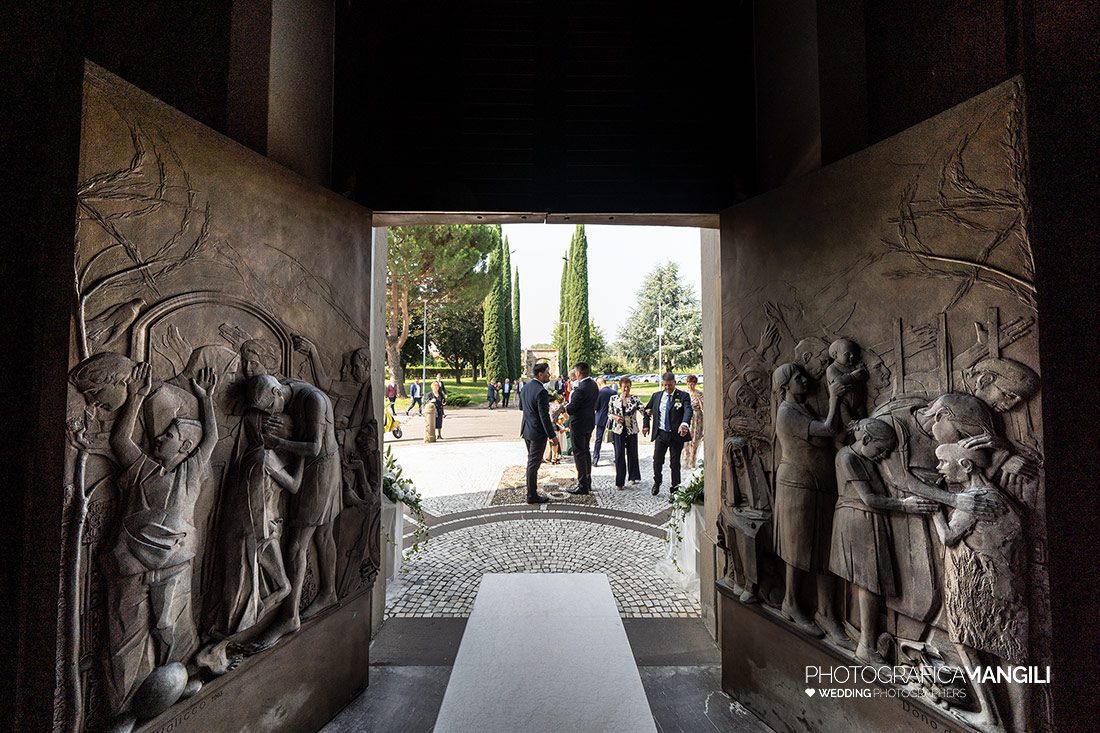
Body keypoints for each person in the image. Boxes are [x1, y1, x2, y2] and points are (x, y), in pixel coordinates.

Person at [103, 364, 217, 718]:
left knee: (172, 628)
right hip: (133, 570)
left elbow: (211, 439)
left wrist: (206, 400)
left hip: (174, 571)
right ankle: (124, 711)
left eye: (166, 437)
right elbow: (121, 440)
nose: (156, 440)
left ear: (184, 447)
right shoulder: (141, 469)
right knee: (126, 643)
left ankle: (176, 682)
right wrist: (135, 397)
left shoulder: (190, 473)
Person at [933, 441, 1030, 732]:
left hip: (982, 587)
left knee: (977, 644)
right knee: (1002, 651)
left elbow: (949, 537)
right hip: (991, 583)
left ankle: (996, 717)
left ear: (965, 465)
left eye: (943, 462)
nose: (939, 468)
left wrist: (935, 511)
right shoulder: (989, 494)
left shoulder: (978, 498)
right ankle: (1009, 721)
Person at [247, 374, 344, 652]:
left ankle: (290, 616)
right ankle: (329, 592)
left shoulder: (312, 399)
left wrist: (277, 442)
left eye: (271, 410)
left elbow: (314, 447)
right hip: (322, 466)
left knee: (297, 545)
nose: (272, 416)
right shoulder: (290, 388)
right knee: (323, 535)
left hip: (321, 470)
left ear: (278, 394)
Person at [830, 418, 936, 662]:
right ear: (866, 440)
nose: (884, 454)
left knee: (870, 583)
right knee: (868, 582)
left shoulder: (862, 457)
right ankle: (866, 647)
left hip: (867, 520)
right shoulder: (848, 458)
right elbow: (869, 499)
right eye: (881, 449)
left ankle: (867, 640)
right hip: (858, 520)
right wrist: (905, 505)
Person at [770, 362, 849, 646]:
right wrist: (835, 396)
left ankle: (826, 611)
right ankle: (791, 602)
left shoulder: (804, 408)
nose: (804, 380)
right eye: (796, 377)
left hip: (819, 484)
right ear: (784, 387)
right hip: (798, 485)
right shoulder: (787, 413)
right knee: (799, 547)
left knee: (822, 547)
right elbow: (827, 430)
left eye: (803, 375)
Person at [642, 373, 694, 498]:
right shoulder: (656, 396)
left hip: (676, 435)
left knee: (674, 463)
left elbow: (688, 410)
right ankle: (657, 482)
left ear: (675, 383)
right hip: (661, 434)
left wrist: (684, 424)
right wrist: (646, 425)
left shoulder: (683, 396)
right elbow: (647, 410)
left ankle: (675, 488)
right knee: (657, 461)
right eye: (665, 385)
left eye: (670, 385)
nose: (667, 388)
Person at [518, 363, 557, 504]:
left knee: (532, 463)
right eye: (547, 372)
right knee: (533, 464)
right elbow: (544, 416)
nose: (549, 375)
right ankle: (532, 495)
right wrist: (552, 435)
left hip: (526, 430)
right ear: (540, 374)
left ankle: (532, 492)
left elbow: (521, 407)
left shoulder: (526, 387)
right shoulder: (541, 391)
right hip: (537, 433)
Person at [564, 362, 598, 494]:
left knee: (579, 453)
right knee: (586, 451)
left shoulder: (581, 389)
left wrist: (564, 407)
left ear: (578, 372)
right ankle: (588, 480)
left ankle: (582, 484)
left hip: (578, 424)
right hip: (589, 422)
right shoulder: (593, 385)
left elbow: (572, 409)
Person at [608, 376, 643, 489]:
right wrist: (615, 417)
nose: (626, 389)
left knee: (633, 453)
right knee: (619, 455)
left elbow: (643, 409)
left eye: (628, 387)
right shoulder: (613, 399)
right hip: (618, 430)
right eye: (624, 387)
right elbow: (609, 413)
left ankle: (633, 476)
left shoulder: (635, 399)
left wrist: (648, 413)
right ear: (620, 387)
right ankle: (620, 482)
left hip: (632, 429)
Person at [826, 337, 869, 423]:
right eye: (847, 354)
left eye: (852, 353)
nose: (851, 356)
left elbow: (863, 377)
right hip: (843, 401)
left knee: (864, 419)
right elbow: (838, 381)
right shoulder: (831, 369)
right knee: (848, 422)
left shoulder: (852, 366)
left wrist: (861, 370)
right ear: (835, 355)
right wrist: (853, 376)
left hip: (858, 399)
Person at [591, 377, 614, 466]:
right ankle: (617, 457)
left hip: (601, 418)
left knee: (598, 439)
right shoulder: (613, 392)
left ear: (599, 383)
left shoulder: (599, 393)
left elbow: (596, 406)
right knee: (614, 439)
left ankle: (595, 459)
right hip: (611, 418)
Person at [683, 374, 705, 467]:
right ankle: (685, 460)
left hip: (697, 418)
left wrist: (698, 397)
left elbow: (703, 407)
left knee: (695, 440)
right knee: (685, 440)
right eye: (689, 383)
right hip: (687, 418)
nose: (690, 385)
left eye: (692, 384)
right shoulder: (684, 393)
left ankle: (692, 461)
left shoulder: (699, 393)